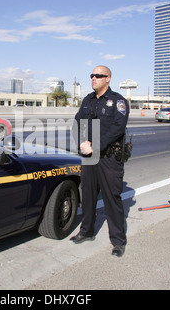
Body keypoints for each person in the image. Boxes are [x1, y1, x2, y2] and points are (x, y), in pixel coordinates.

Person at [71, 65, 130, 257]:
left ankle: (118, 241)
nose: (94, 78)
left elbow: (117, 129)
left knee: (112, 199)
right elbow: (77, 122)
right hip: (89, 157)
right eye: (92, 75)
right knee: (87, 196)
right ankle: (86, 232)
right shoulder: (87, 100)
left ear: (108, 78)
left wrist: (95, 145)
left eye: (98, 75)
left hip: (109, 158)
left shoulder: (118, 101)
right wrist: (82, 143)